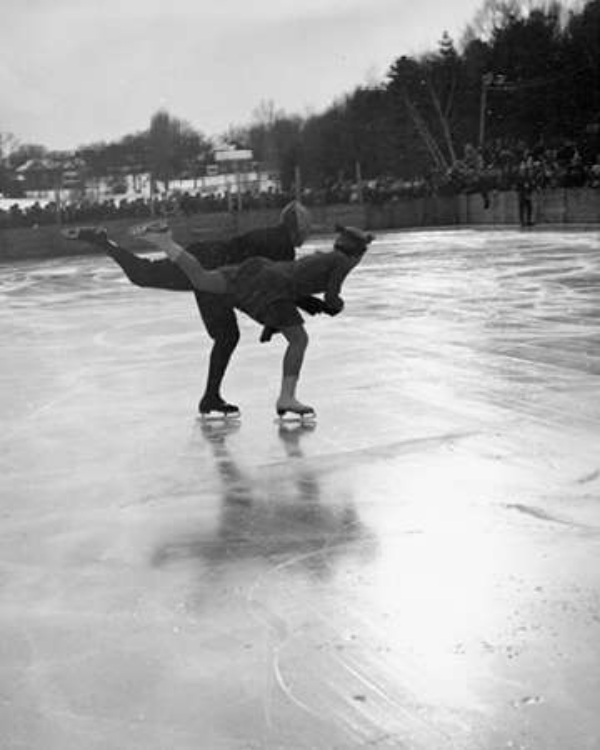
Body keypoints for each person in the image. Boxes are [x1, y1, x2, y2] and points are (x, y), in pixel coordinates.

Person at [64, 201, 322, 417]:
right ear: (298, 227)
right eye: (307, 228)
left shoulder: (275, 238)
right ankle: (112, 241)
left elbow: (273, 289)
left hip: (215, 267)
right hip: (210, 268)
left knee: (224, 334)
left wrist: (285, 315)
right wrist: (306, 306)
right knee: (144, 276)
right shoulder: (282, 246)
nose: (308, 234)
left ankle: (211, 398)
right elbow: (278, 289)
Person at [132, 221, 374, 418]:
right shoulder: (342, 262)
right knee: (299, 340)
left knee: (202, 279)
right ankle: (287, 397)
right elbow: (332, 297)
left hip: (256, 270)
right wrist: (336, 305)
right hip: (274, 288)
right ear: (358, 253)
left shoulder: (325, 256)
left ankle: (166, 242)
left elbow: (303, 281)